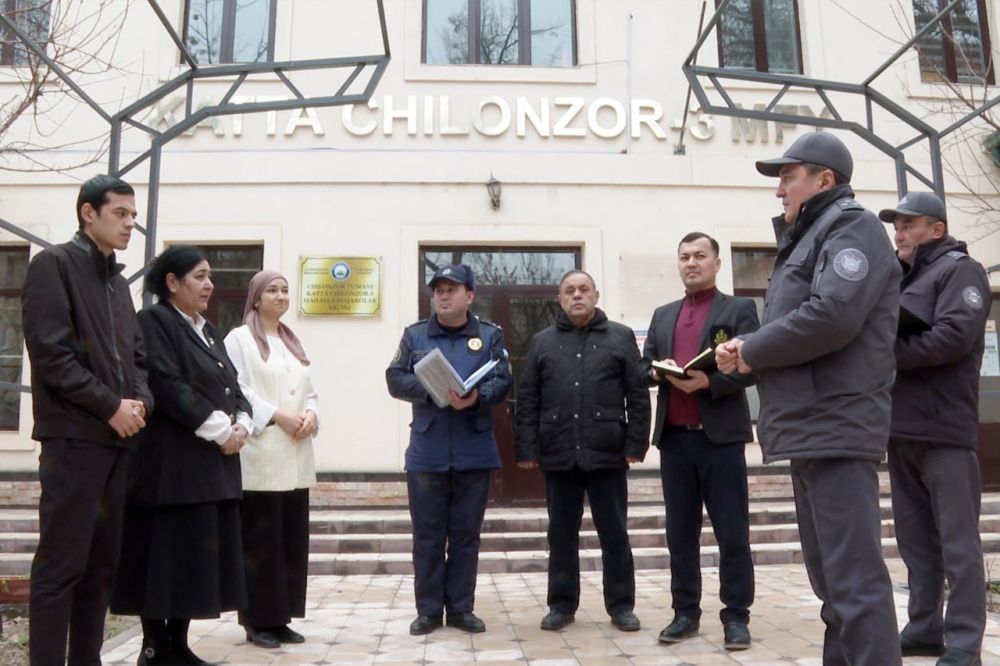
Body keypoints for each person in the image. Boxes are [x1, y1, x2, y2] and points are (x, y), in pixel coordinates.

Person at [716, 131, 903, 665]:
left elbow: (832, 316)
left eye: (788, 176)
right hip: (812, 428)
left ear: (825, 179)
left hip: (836, 425)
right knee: (834, 587)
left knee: (855, 585)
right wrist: (750, 350)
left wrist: (753, 349)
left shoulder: (852, 227)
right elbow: (803, 322)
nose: (779, 189)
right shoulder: (809, 237)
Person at [21, 174, 153, 666]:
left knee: (101, 568)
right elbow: (52, 356)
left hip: (118, 443)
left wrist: (139, 403)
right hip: (73, 440)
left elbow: (137, 360)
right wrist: (110, 406)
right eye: (120, 213)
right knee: (61, 567)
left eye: (133, 215)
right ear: (88, 213)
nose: (130, 223)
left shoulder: (118, 285)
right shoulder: (53, 266)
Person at [110, 245, 252, 665]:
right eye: (200, 276)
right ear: (172, 282)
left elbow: (233, 386)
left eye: (210, 276)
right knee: (163, 558)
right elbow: (167, 385)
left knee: (193, 560)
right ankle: (154, 647)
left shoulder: (208, 330)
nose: (210, 285)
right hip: (170, 471)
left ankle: (179, 644)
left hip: (209, 468)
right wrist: (221, 430)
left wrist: (243, 422)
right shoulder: (155, 321)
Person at [879, 192, 989, 666]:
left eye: (909, 225)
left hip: (945, 432)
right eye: (896, 226)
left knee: (958, 544)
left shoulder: (960, 271)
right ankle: (924, 628)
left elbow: (953, 337)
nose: (899, 233)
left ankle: (964, 641)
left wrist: (883, 357)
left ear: (937, 229)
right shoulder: (902, 279)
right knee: (915, 543)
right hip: (901, 431)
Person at [515, 270, 651, 634]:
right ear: (560, 300)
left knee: (615, 534)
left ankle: (621, 606)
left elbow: (637, 395)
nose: (577, 295)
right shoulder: (542, 342)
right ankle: (561, 605)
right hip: (559, 452)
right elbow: (527, 399)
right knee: (561, 535)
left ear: (596, 295)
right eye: (570, 291)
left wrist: (636, 445)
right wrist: (527, 447)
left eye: (584, 289)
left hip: (608, 452)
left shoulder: (620, 337)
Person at [641, 232, 758, 650]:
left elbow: (755, 365)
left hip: (720, 439)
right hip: (675, 440)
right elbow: (643, 366)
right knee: (680, 533)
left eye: (700, 256)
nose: (691, 263)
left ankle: (736, 616)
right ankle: (685, 612)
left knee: (732, 532)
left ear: (717, 263)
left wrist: (709, 382)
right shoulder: (663, 315)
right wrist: (657, 370)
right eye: (685, 257)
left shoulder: (739, 310)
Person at [385, 264, 511, 636]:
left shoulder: (489, 335)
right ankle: (428, 611)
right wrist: (432, 390)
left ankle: (459, 609)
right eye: (438, 289)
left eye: (451, 289)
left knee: (465, 536)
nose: (442, 295)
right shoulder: (415, 335)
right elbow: (395, 377)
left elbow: (503, 380)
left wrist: (475, 398)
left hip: (474, 449)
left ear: (469, 296)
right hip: (428, 452)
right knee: (427, 537)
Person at [224, 270, 319, 649]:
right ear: (256, 297)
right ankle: (256, 620)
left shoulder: (292, 341)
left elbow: (310, 391)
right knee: (260, 544)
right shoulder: (239, 339)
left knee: (290, 542)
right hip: (261, 455)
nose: (281, 296)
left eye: (285, 290)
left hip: (295, 453)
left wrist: (311, 416)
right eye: (272, 290)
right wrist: (277, 415)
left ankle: (281, 618)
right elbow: (237, 388)